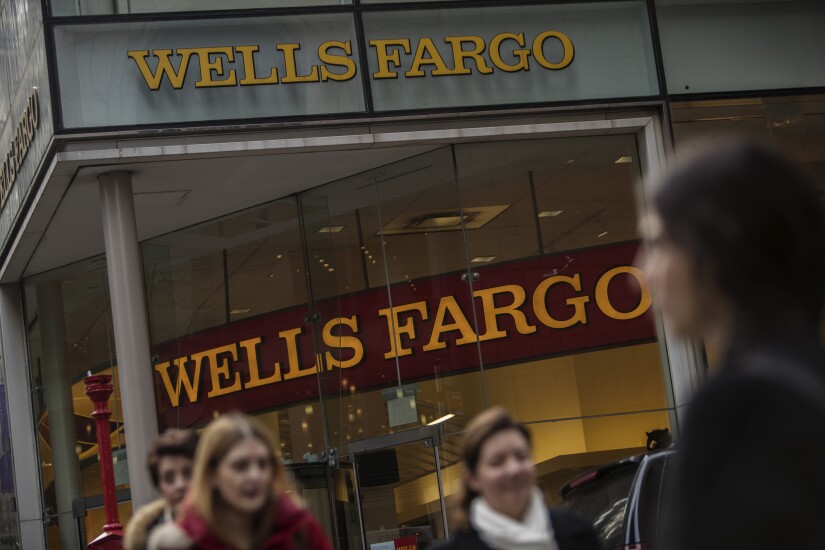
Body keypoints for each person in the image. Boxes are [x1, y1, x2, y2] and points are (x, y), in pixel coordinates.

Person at [639, 139, 825, 549]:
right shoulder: (805, 374)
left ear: (719, 242)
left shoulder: (740, 405)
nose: (644, 270)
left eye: (659, 242)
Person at [149, 413, 332, 550]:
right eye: (240, 466)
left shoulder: (301, 530)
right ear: (212, 475)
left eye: (262, 464)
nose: (255, 475)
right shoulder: (182, 543)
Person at [434, 407, 601, 550]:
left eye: (521, 456)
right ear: (473, 479)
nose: (513, 469)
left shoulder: (581, 535)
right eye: (497, 462)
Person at [125, 429, 199, 550]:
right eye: (169, 478)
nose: (180, 485)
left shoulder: (230, 528)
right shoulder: (144, 539)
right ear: (159, 487)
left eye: (188, 473)